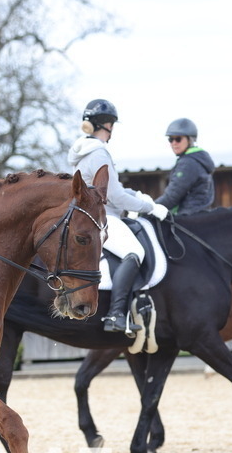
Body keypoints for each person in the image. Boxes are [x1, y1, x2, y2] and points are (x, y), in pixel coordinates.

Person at [68, 99, 169, 333]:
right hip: (102, 218)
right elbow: (115, 197)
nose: (112, 129)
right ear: (104, 125)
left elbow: (115, 190)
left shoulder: (83, 152)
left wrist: (137, 194)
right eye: (111, 124)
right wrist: (149, 207)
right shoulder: (99, 154)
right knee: (135, 252)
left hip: (90, 215)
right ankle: (116, 314)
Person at [156, 118, 215, 215]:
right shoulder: (198, 159)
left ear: (190, 139)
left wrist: (148, 209)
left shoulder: (188, 163)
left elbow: (171, 197)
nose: (174, 143)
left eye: (178, 139)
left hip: (188, 218)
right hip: (200, 215)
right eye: (171, 139)